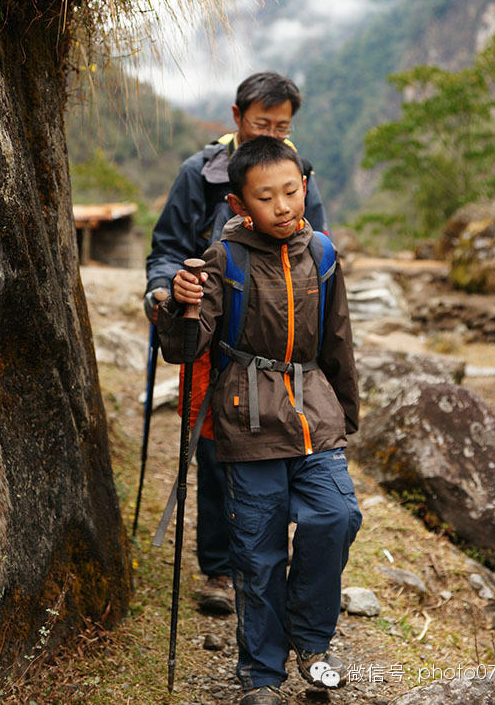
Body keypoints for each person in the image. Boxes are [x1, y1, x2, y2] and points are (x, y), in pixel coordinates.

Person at [157, 136, 362, 705]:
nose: (283, 206)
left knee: (337, 515)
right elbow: (187, 346)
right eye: (267, 197)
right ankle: (262, 677)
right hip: (248, 421)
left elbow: (338, 338)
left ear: (305, 185)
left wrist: (346, 413)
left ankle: (311, 637)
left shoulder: (321, 254)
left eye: (292, 191)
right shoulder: (225, 259)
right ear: (241, 204)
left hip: (313, 411)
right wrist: (183, 304)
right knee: (258, 550)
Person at [144, 72, 329, 615]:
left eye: (281, 125)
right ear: (236, 116)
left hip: (276, 342)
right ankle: (222, 570)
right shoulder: (199, 175)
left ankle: (271, 561)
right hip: (210, 330)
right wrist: (164, 292)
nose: (270, 131)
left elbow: (316, 251)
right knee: (214, 445)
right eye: (260, 123)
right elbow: (168, 247)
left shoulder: (301, 175)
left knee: (285, 448)